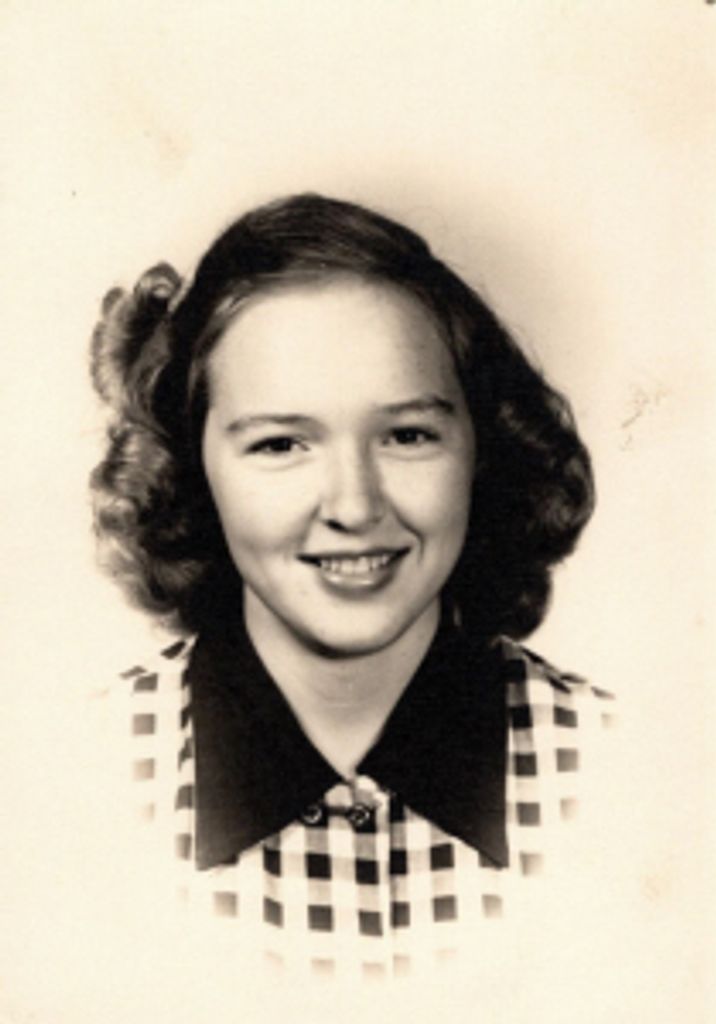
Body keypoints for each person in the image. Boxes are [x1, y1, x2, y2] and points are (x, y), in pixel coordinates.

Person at [90, 193, 612, 979]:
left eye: (407, 435)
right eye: (280, 444)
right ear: (189, 471)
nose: (355, 506)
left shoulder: (629, 770)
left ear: (483, 451)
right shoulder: (73, 779)